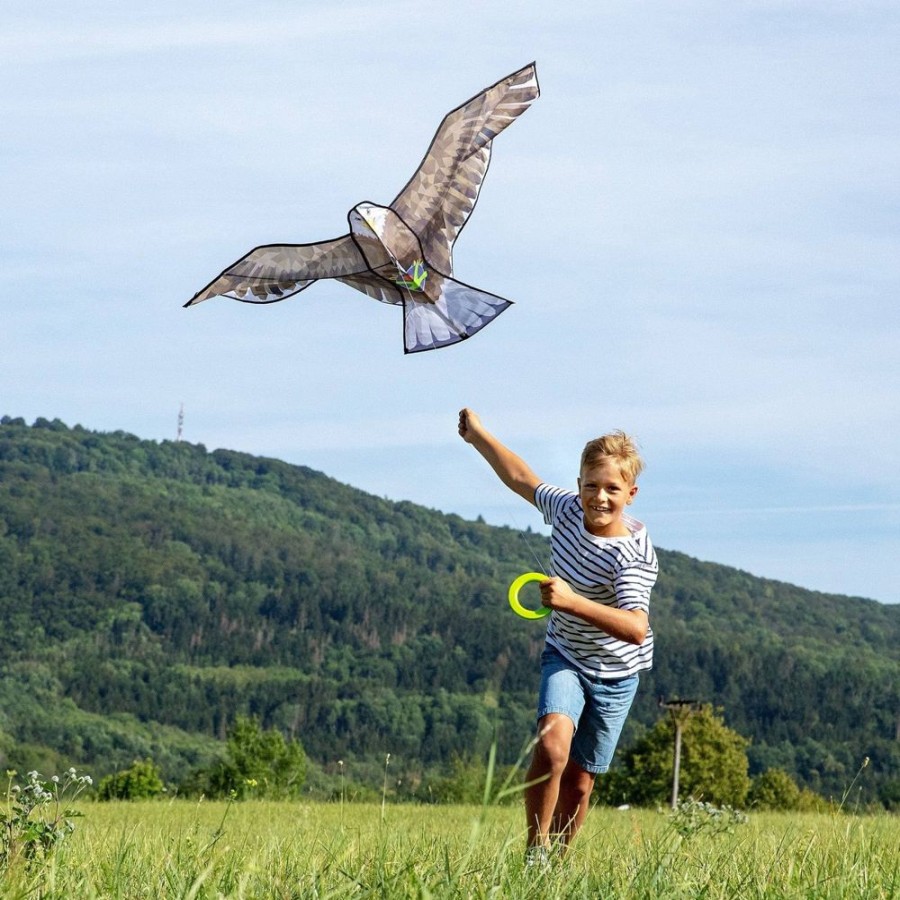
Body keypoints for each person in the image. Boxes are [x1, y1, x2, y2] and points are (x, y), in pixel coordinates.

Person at [457, 408, 657, 865]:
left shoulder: (632, 555)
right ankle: (536, 852)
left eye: (612, 489)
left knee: (582, 780)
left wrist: (570, 601)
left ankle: (561, 865)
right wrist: (479, 435)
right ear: (579, 483)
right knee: (551, 748)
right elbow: (521, 476)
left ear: (631, 493)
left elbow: (635, 627)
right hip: (565, 655)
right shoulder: (567, 510)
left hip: (615, 675)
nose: (599, 497)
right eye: (591, 485)